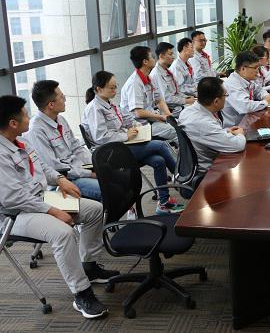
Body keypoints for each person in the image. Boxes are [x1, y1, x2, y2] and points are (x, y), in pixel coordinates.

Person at [1, 95, 117, 319]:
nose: (29, 117)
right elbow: (13, 198)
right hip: (15, 214)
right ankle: (82, 293)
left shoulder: (21, 141)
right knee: (63, 233)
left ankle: (89, 266)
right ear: (13, 123)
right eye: (25, 115)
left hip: (41, 199)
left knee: (94, 210)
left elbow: (43, 167)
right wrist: (54, 211)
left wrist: (60, 179)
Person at [82, 71, 183, 215]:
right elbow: (101, 137)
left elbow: (126, 119)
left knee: (159, 161)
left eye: (115, 87)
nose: (115, 91)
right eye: (111, 87)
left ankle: (163, 203)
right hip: (111, 153)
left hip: (122, 146)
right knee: (160, 145)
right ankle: (182, 179)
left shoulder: (110, 104)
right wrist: (126, 136)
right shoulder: (94, 109)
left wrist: (136, 126)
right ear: (98, 89)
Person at [25, 80, 101, 201]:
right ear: (51, 105)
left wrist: (96, 165)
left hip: (79, 170)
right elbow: (55, 168)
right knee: (108, 188)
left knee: (116, 178)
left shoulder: (60, 119)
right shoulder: (36, 130)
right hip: (66, 180)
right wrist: (90, 174)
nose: (65, 99)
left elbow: (76, 147)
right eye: (61, 96)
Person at [178, 77, 246, 186]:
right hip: (208, 175)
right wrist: (240, 134)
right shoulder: (203, 123)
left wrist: (225, 131)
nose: (226, 98)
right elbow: (237, 145)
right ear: (216, 101)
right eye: (225, 95)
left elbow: (205, 133)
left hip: (196, 166)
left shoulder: (188, 111)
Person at [120, 46, 177, 142]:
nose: (155, 59)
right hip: (140, 125)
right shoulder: (134, 83)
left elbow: (159, 100)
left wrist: (168, 115)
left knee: (180, 125)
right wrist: (160, 117)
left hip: (152, 119)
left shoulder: (149, 78)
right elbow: (139, 113)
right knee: (175, 132)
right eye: (152, 57)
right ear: (145, 62)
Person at [222, 51, 270, 127]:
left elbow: (259, 90)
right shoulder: (232, 85)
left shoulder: (247, 80)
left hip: (248, 122)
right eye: (255, 68)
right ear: (243, 69)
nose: (258, 71)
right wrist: (266, 102)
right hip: (235, 128)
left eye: (258, 68)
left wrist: (266, 96)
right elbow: (245, 107)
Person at [149, 42, 195, 117]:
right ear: (161, 56)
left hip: (178, 104)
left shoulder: (166, 70)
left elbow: (176, 92)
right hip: (170, 109)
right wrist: (185, 101)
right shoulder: (157, 74)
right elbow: (166, 98)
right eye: (170, 54)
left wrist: (186, 97)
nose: (173, 57)